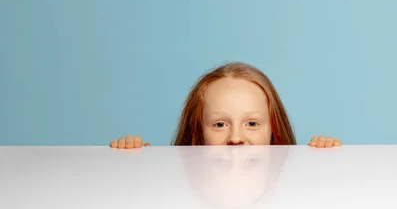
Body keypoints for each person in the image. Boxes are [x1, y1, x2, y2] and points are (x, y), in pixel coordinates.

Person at [109, 62, 342, 149]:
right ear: (197, 133)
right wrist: (133, 163)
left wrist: (323, 163)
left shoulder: (294, 186)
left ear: (275, 131)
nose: (236, 138)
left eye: (252, 123)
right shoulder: (174, 188)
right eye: (220, 124)